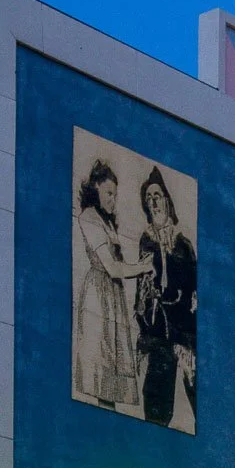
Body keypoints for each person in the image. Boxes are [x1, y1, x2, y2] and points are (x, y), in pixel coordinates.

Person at [74, 160, 152, 409]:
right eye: (109, 193)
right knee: (102, 369)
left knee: (112, 374)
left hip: (113, 297)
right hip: (99, 296)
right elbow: (113, 267)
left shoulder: (107, 221)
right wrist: (142, 267)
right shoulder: (88, 217)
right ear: (95, 188)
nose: (112, 199)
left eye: (115, 195)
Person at [135, 167, 198, 429]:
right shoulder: (146, 241)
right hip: (159, 332)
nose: (153, 202)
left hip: (184, 333)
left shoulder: (183, 243)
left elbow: (194, 291)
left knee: (199, 398)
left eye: (157, 195)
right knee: (156, 409)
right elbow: (142, 290)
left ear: (167, 200)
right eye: (148, 198)